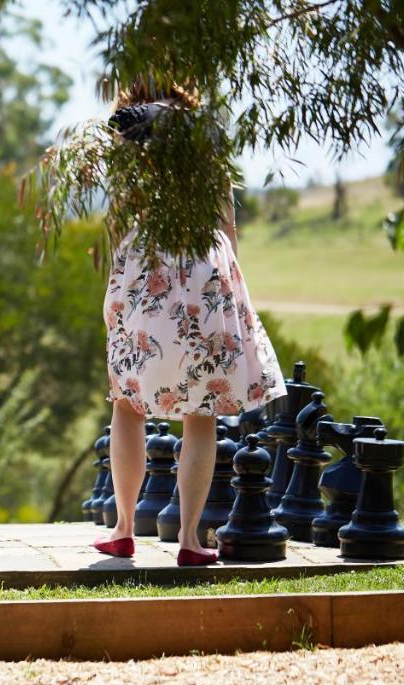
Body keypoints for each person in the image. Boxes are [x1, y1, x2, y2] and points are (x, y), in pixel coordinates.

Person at [95, 83, 286, 566]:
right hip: (205, 260)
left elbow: (119, 215)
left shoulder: (128, 134)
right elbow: (225, 217)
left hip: (145, 260)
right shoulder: (207, 136)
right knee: (201, 411)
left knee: (127, 401)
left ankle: (121, 529)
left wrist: (119, 280)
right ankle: (189, 540)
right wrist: (232, 281)